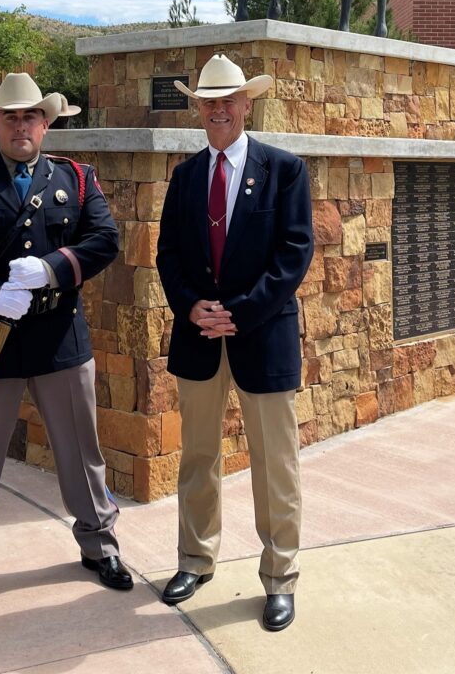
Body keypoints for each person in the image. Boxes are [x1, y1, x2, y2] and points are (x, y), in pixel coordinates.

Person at [0, 73, 133, 622]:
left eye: (30, 115)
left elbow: (104, 239)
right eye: (9, 116)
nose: (20, 125)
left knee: (81, 456)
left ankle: (100, 546)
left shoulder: (78, 179)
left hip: (60, 341)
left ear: (46, 122)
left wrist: (52, 269)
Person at [155, 54, 314, 632]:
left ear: (248, 104)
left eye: (229, 100)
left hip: (262, 338)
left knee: (276, 464)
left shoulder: (285, 170)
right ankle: (195, 560)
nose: (219, 109)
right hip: (199, 337)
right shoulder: (185, 176)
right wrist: (191, 305)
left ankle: (280, 576)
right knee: (198, 457)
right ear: (198, 109)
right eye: (208, 101)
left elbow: (294, 255)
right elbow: (168, 254)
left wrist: (240, 314)